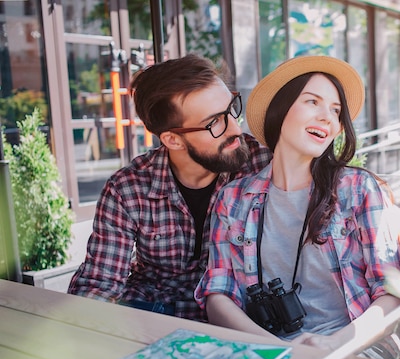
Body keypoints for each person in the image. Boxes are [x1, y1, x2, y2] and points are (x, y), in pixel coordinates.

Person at [194, 56, 400, 359]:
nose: (327, 118)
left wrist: (334, 345)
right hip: (263, 350)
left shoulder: (357, 189)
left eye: (336, 111)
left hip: (356, 348)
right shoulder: (233, 199)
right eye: (313, 102)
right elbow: (218, 294)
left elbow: (392, 292)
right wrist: (278, 350)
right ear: (280, 110)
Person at [67, 54, 272, 322]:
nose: (235, 128)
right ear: (172, 140)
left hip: (241, 318)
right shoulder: (128, 189)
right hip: (153, 317)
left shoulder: (263, 162)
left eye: (232, 109)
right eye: (214, 123)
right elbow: (99, 283)